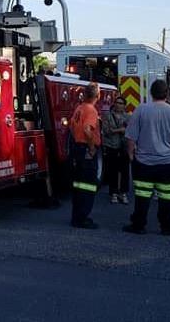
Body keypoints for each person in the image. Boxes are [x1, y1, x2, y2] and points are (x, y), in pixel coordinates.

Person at [122, 80, 170, 236]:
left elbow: (131, 136)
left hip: (144, 162)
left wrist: (131, 154)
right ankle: (167, 227)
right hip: (167, 163)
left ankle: (138, 225)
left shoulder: (141, 110)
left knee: (142, 196)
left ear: (151, 93)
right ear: (166, 94)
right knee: (167, 197)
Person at [69, 83, 102, 229]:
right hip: (86, 150)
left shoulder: (79, 108)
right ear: (97, 96)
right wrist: (91, 148)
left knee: (78, 185)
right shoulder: (91, 110)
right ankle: (83, 217)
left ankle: (76, 216)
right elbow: (87, 130)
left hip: (77, 148)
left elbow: (71, 126)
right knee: (88, 185)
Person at [102, 96, 130, 204]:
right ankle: (113, 193)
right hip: (111, 146)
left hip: (124, 147)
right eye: (117, 103)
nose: (119, 105)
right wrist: (120, 130)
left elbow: (131, 131)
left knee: (125, 171)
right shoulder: (107, 116)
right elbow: (106, 130)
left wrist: (116, 130)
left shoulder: (128, 117)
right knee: (112, 170)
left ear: (124, 105)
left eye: (121, 103)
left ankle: (123, 193)